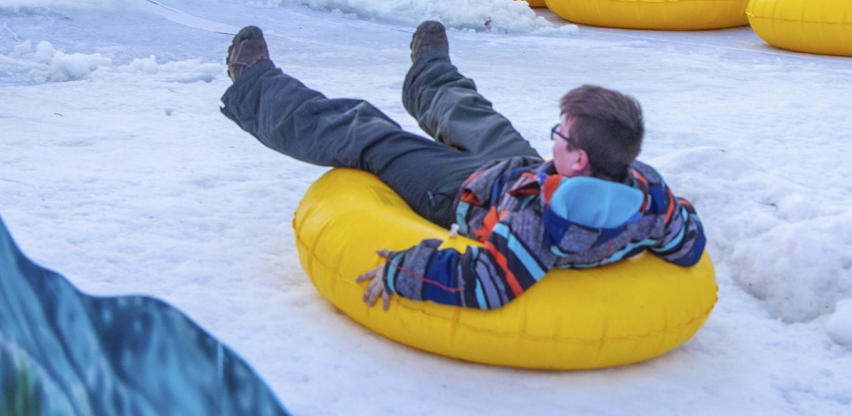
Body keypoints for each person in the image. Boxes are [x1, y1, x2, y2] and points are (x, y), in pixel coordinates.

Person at [219, 23, 706, 311]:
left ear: (578, 157)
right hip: (521, 175)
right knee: (474, 116)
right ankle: (429, 68)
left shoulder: (541, 223)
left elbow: (486, 284)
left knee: (368, 132)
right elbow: (688, 245)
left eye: (559, 133)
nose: (552, 135)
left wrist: (405, 271)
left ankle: (255, 85)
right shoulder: (653, 201)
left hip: (463, 193)